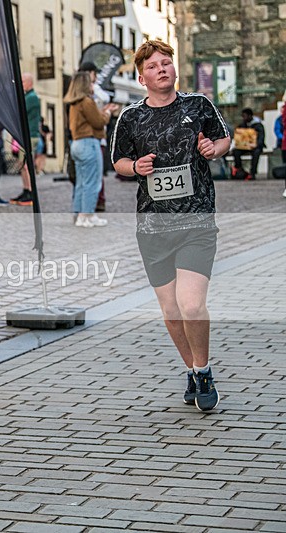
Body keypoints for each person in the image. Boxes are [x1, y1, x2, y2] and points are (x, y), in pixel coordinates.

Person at [111, 40, 230, 412]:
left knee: (191, 305)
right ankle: (192, 371)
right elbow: (118, 162)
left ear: (174, 69)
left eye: (166, 63)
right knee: (171, 311)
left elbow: (223, 138)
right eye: (153, 66)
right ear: (141, 75)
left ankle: (205, 369)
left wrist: (215, 149)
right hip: (153, 228)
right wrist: (136, 168)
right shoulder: (130, 117)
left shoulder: (197, 106)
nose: (162, 69)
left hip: (196, 221)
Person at [65, 72, 117, 227]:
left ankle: (81, 213)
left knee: (81, 182)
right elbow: (98, 122)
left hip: (77, 144)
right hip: (89, 143)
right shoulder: (87, 101)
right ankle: (86, 215)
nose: (92, 86)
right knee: (92, 182)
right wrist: (107, 112)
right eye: (90, 83)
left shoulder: (74, 103)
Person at [10, 73, 38, 206]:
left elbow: (19, 112)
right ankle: (26, 190)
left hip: (30, 136)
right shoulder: (27, 96)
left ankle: (31, 192)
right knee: (22, 165)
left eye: (22, 81)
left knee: (26, 165)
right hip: (23, 135)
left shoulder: (31, 97)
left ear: (29, 82)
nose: (20, 84)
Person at [231, 108, 265, 180]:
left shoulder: (258, 125)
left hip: (255, 147)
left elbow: (261, 138)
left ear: (250, 116)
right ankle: (239, 169)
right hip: (244, 146)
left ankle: (252, 173)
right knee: (236, 152)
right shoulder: (242, 125)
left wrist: (256, 144)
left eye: (245, 116)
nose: (244, 118)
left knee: (256, 153)